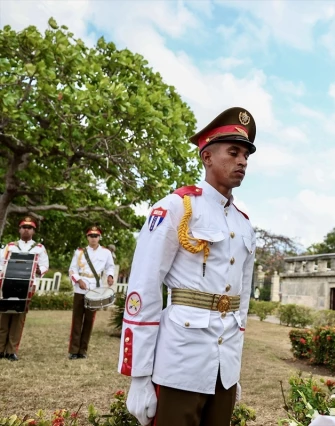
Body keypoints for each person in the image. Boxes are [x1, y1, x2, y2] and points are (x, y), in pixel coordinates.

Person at [120, 107, 257, 426]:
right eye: (233, 152)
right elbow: (144, 286)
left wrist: (232, 369)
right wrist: (139, 376)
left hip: (224, 368)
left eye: (246, 156)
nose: (242, 162)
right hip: (181, 360)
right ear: (206, 157)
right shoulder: (176, 207)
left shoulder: (244, 222)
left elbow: (242, 300)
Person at [0, 216, 49, 361]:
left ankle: (11, 350)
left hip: (27, 285)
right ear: (19, 229)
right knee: (4, 315)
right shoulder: (10, 246)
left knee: (19, 317)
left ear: (33, 231)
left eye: (30, 228)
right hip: (8, 283)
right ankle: (0, 348)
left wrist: (40, 270)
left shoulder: (39, 248)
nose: (26, 230)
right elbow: (1, 263)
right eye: (24, 227)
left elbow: (45, 265)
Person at [67, 225, 115, 359]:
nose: (93, 238)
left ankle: (83, 350)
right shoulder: (79, 252)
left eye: (96, 236)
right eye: (91, 236)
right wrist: (77, 280)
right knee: (77, 320)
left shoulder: (106, 253)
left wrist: (110, 276)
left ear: (99, 237)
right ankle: (73, 350)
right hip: (80, 287)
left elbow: (110, 267)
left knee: (89, 320)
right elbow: (72, 269)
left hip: (95, 289)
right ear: (87, 237)